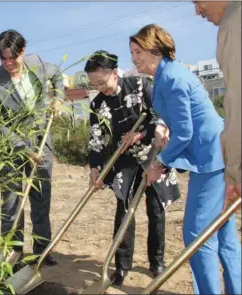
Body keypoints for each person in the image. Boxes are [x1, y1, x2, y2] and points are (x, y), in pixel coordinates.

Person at [129, 24, 241, 295]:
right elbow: (182, 120)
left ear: (154, 50)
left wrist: (158, 164)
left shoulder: (172, 79)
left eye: (137, 51)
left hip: (211, 159)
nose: (133, 58)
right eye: (131, 52)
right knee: (222, 232)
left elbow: (186, 132)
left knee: (197, 237)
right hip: (212, 154)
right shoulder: (166, 75)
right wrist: (165, 127)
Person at [85, 50, 180, 285]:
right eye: (94, 84)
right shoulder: (97, 104)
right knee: (124, 210)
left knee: (155, 210)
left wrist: (140, 134)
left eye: (102, 82)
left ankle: (156, 261)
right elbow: (96, 140)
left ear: (114, 73)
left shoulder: (140, 85)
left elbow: (160, 115)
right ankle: (122, 265)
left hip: (151, 156)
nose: (100, 88)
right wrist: (95, 167)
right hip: (124, 161)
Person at [0, 29, 64, 266]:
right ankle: (13, 253)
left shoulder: (36, 64)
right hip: (10, 150)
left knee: (40, 199)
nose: (8, 63)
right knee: (11, 203)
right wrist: (21, 148)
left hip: (41, 142)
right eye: (3, 59)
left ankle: (41, 251)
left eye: (13, 58)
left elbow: (57, 74)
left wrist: (57, 98)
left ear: (22, 51)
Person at [193, 1, 241, 209]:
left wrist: (235, 172)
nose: (197, 11)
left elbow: (238, 101)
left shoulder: (234, 24)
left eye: (197, 1)